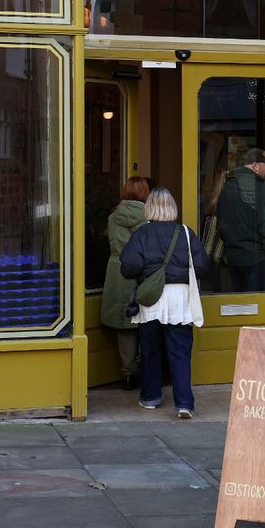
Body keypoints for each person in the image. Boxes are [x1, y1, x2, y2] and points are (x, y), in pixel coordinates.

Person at [120, 187, 209, 419]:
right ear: (172, 208)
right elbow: (202, 266)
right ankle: (184, 403)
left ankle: (150, 398)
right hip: (180, 298)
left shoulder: (142, 234)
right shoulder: (186, 233)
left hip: (152, 298)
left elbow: (128, 267)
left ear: (149, 208)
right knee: (179, 351)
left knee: (150, 349)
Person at [99, 176, 153, 391]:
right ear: (145, 192)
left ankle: (128, 372)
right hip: (142, 270)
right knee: (147, 321)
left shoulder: (113, 217)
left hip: (118, 270)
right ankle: (147, 371)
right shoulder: (150, 217)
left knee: (125, 326)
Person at [217, 147, 265, 292]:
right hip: (257, 261)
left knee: (240, 308)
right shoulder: (262, 190)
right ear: (255, 166)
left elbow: (221, 226)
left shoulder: (227, 187)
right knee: (260, 309)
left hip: (233, 260)